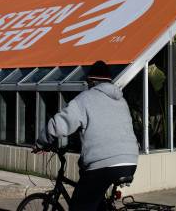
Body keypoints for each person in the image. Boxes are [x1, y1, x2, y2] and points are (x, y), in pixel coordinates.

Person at [38, 60, 139, 210]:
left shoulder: (85, 99)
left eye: (87, 82)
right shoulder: (121, 100)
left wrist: (41, 142)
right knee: (96, 200)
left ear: (92, 81)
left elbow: (59, 125)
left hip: (103, 164)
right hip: (130, 161)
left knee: (80, 206)